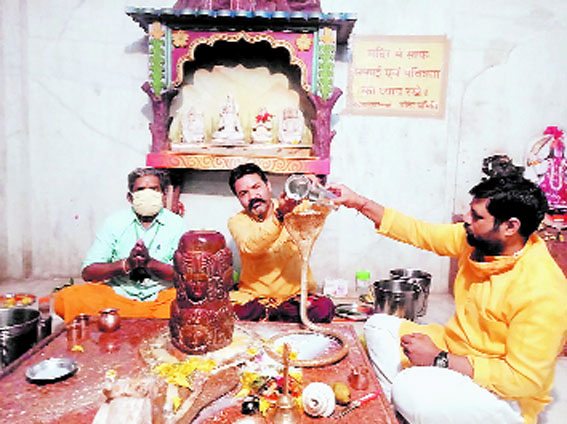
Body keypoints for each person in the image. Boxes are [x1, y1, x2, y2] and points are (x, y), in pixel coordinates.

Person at [328, 174, 567, 424]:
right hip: (457, 351)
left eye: (477, 216)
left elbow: (522, 380)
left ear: (510, 227)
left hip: (505, 396)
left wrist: (439, 359)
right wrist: (358, 202)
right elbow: (419, 232)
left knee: (409, 386)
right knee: (379, 326)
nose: (466, 219)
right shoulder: (479, 242)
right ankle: (393, 412)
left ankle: (407, 402)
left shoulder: (543, 290)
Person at [54, 168, 187, 322]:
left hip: (160, 298)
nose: (147, 194)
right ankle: (146, 322)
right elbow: (89, 273)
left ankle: (125, 321)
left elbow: (185, 276)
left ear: (163, 195)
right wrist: (126, 265)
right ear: (130, 197)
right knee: (67, 298)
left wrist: (150, 264)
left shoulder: (177, 225)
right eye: (140, 189)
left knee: (189, 304)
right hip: (119, 298)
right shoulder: (114, 223)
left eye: (153, 189)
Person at [227, 163, 334, 322]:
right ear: (239, 198)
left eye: (256, 187)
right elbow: (251, 246)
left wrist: (316, 189)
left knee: (323, 307)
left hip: (293, 298)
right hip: (256, 299)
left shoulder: (294, 208)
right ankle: (277, 315)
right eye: (244, 193)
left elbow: (328, 205)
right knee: (228, 311)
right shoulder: (237, 221)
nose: (252, 196)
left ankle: (275, 315)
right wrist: (280, 215)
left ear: (268, 186)